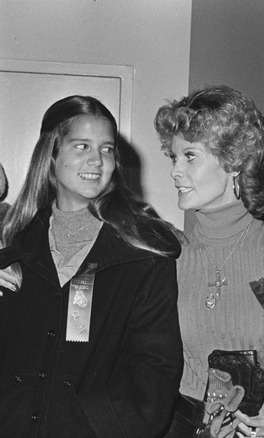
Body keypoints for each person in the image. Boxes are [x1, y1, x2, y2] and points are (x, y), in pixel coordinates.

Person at [154, 85, 264, 437]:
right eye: (173, 158)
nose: (175, 171)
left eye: (189, 156)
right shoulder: (169, 256)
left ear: (233, 162)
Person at [0, 95, 183, 437]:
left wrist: (94, 422)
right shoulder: (13, 244)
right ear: (51, 154)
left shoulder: (144, 254)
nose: (97, 161)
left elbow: (156, 370)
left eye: (107, 149)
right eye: (82, 145)